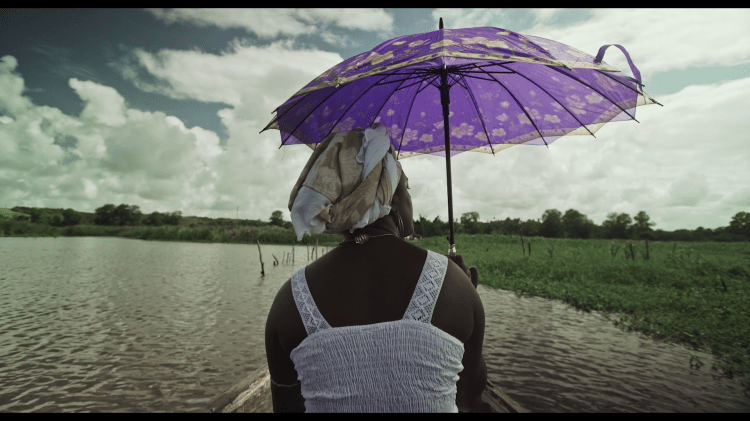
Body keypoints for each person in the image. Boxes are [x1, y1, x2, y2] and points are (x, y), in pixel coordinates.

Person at [265, 123, 486, 412]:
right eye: (406, 189)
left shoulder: (290, 300)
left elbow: (285, 407)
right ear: (389, 198)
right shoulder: (455, 284)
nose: (410, 200)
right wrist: (468, 291)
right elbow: (470, 395)